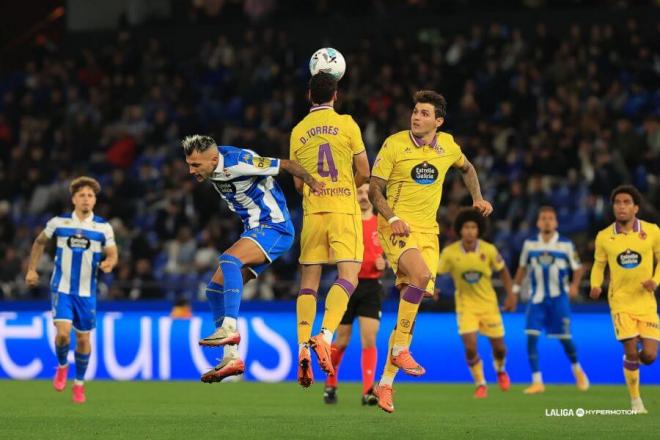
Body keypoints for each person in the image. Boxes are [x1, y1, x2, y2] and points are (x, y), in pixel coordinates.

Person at [369, 90, 493, 413]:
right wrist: (392, 218)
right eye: (415, 111)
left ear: (438, 121)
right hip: (396, 227)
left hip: (428, 233)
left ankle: (385, 383)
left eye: (425, 113)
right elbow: (373, 188)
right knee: (421, 276)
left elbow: (466, 169)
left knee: (410, 306)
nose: (417, 116)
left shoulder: (448, 146)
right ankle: (400, 351)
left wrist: (477, 198)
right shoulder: (394, 144)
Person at [182, 134, 322, 383]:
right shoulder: (212, 166)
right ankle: (232, 357)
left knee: (229, 260)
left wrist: (314, 184)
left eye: (195, 165)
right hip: (255, 230)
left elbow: (287, 165)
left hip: (275, 228)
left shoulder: (239, 161)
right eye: (189, 164)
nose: (190, 170)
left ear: (213, 159)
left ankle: (228, 327)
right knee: (214, 290)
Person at [289, 73, 370, 387]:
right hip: (342, 210)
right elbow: (364, 170)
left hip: (313, 212)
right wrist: (350, 186)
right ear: (335, 94)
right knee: (348, 276)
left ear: (310, 95)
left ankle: (301, 346)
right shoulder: (347, 124)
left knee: (309, 283)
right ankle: (324, 335)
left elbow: (297, 182)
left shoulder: (298, 132)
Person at [25, 176, 118, 404]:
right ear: (73, 199)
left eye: (90, 195)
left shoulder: (103, 227)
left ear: (95, 200)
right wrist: (31, 270)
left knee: (84, 341)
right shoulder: (59, 223)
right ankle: (62, 366)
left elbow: (113, 253)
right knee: (63, 334)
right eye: (81, 195)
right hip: (62, 288)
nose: (86, 199)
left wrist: (109, 263)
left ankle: (78, 384)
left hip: (87, 293)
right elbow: (38, 242)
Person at [590, 185, 659, 414]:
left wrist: (656, 281)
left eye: (626, 202)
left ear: (636, 207)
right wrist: (595, 284)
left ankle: (630, 366)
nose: (621, 206)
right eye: (617, 202)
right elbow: (599, 265)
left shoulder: (652, 231)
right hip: (620, 302)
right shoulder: (604, 236)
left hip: (646, 303)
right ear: (613, 207)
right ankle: (636, 401)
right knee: (631, 351)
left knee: (648, 356)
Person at [437, 208, 515, 399]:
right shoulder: (449, 252)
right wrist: (433, 288)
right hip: (466, 306)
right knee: (470, 347)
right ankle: (480, 383)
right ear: (460, 230)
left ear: (479, 229)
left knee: (500, 349)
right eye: (466, 227)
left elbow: (503, 271)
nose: (470, 231)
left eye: (473, 227)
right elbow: (436, 272)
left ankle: (500, 369)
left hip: (489, 305)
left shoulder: (488, 250)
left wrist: (511, 294)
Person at [512, 206, 589, 394]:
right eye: (543, 218)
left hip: (558, 299)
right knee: (531, 337)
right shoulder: (530, 244)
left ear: (556, 222)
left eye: (550, 218)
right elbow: (522, 268)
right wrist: (514, 291)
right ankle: (537, 381)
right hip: (536, 299)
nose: (547, 221)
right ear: (538, 222)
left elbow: (578, 268)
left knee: (565, 339)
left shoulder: (565, 244)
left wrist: (575, 285)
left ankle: (577, 368)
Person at [323, 182, 385, 406]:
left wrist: (384, 262)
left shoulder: (382, 224)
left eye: (367, 193)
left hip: (371, 287)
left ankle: (368, 389)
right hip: (347, 285)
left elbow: (394, 255)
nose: (363, 196)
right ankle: (331, 382)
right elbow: (329, 256)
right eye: (359, 192)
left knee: (369, 338)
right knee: (342, 340)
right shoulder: (345, 224)